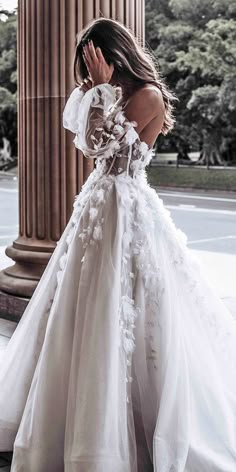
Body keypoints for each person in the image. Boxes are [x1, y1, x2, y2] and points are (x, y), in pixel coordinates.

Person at [0, 16, 236, 472]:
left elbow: (102, 145)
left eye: (95, 60)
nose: (89, 71)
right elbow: (86, 143)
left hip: (124, 206)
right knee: (79, 304)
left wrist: (104, 91)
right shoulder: (111, 95)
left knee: (127, 304)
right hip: (95, 204)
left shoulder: (146, 96)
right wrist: (99, 91)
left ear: (113, 56)